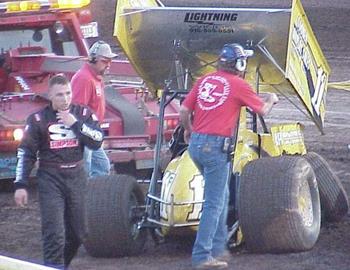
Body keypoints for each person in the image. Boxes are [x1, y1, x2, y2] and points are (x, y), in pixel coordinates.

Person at [180, 43, 279, 269]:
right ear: (240, 64)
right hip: (216, 147)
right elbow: (262, 111)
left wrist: (188, 129)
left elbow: (185, 111)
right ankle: (202, 256)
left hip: (196, 144)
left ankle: (218, 247)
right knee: (214, 203)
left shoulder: (204, 80)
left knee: (221, 194)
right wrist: (271, 99)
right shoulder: (238, 84)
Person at [13, 74, 104, 269]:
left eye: (68, 93)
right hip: (50, 178)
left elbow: (97, 141)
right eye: (60, 95)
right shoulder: (38, 119)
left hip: (77, 176)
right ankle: (54, 266)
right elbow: (26, 152)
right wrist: (20, 185)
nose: (65, 99)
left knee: (79, 233)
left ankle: (60, 265)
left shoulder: (83, 113)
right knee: (54, 234)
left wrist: (75, 123)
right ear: (50, 96)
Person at [71, 40, 117, 177]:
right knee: (85, 169)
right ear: (93, 60)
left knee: (102, 166)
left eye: (110, 61)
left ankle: (95, 195)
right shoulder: (84, 79)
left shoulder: (96, 78)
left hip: (92, 132)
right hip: (84, 133)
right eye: (105, 61)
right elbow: (77, 110)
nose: (109, 65)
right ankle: (84, 196)